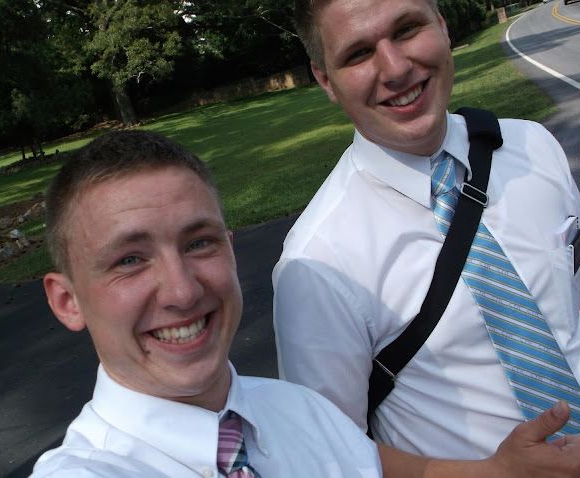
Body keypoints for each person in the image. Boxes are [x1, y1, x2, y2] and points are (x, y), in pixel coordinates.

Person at [273, 0, 580, 475]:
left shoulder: (534, 146)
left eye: (406, 29)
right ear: (325, 79)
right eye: (358, 53)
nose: (396, 68)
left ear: (441, 26)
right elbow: (328, 454)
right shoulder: (316, 262)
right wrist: (494, 473)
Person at [30, 130, 383, 477]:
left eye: (198, 243)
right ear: (68, 301)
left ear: (230, 250)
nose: (182, 292)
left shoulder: (308, 413)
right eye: (129, 260)